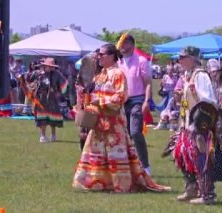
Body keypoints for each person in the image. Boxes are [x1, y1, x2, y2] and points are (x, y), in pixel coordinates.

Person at [72, 44, 170, 193]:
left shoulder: (118, 73)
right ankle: (99, 182)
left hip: (114, 121)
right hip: (99, 120)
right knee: (97, 151)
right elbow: (93, 93)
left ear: (111, 56)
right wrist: (85, 100)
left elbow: (122, 96)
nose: (99, 57)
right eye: (99, 54)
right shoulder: (100, 75)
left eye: (102, 54)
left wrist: (101, 101)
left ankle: (121, 185)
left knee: (115, 153)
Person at [174, 46, 218, 205]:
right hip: (187, 123)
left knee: (202, 157)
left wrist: (195, 94)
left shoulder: (201, 76)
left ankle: (208, 194)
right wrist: (181, 99)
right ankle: (191, 188)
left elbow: (209, 100)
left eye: (182, 57)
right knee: (184, 155)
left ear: (192, 58)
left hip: (200, 123)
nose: (179, 60)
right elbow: (188, 101)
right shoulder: (188, 75)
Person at [117, 34, 152, 175]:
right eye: (121, 43)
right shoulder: (117, 62)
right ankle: (129, 165)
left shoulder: (141, 61)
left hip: (137, 99)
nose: (123, 46)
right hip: (121, 101)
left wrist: (146, 101)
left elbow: (148, 83)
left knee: (136, 132)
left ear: (132, 44)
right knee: (125, 134)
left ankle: (145, 166)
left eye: (126, 43)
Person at [26, 58, 68, 143]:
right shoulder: (38, 73)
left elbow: (65, 83)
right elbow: (28, 79)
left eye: (51, 66)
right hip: (41, 98)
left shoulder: (57, 74)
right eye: (48, 66)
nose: (50, 68)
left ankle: (53, 135)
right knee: (42, 118)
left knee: (53, 118)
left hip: (52, 99)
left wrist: (59, 92)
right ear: (44, 66)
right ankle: (43, 136)